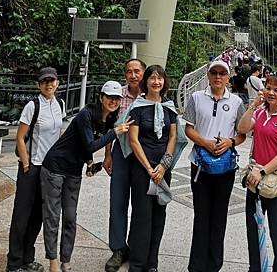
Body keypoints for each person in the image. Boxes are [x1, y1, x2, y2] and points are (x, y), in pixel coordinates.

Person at [40, 81, 132, 272]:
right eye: (109, 97)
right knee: (53, 216)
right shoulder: (86, 114)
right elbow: (91, 144)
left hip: (74, 171)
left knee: (71, 217)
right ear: (101, 97)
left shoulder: (110, 118)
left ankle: (66, 262)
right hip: (55, 167)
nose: (113, 101)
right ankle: (53, 262)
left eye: (116, 98)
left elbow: (87, 146)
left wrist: (90, 163)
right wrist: (115, 132)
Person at [184, 59, 246, 272]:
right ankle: (196, 265)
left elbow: (242, 133)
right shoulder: (196, 98)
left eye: (222, 73)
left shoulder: (236, 102)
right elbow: (189, 128)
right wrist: (206, 143)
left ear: (228, 77)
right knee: (201, 215)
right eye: (214, 73)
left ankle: (214, 264)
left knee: (219, 215)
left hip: (225, 167)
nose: (218, 77)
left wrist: (229, 142)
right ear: (208, 75)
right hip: (200, 164)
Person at [238, 74, 277, 272]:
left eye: (276, 90)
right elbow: (243, 128)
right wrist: (253, 106)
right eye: (268, 88)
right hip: (255, 181)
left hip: (276, 183)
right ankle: (255, 268)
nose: (271, 93)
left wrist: (261, 171)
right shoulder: (261, 112)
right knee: (253, 229)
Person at [7, 67, 64, 272]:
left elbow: (57, 137)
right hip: (31, 168)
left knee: (39, 215)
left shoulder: (60, 104)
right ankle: (13, 263)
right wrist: (25, 164)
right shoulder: (33, 106)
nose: (49, 84)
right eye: (44, 81)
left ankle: (27, 258)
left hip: (49, 169)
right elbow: (20, 137)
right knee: (22, 215)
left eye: (52, 81)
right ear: (39, 84)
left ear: (57, 83)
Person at [125, 65, 178, 272]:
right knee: (142, 216)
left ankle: (152, 263)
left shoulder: (169, 107)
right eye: (152, 78)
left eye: (160, 78)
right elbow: (133, 140)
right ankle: (137, 264)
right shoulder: (137, 107)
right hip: (142, 169)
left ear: (164, 82)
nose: (156, 82)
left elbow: (173, 136)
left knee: (159, 215)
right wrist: (149, 169)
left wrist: (163, 166)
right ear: (145, 82)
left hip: (163, 169)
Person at [104, 58, 145, 272]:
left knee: (141, 204)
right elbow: (110, 125)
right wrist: (108, 154)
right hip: (120, 152)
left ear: (143, 73)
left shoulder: (151, 95)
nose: (133, 75)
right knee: (117, 201)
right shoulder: (118, 95)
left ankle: (137, 247)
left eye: (137, 71)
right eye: (129, 71)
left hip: (143, 155)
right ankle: (118, 247)